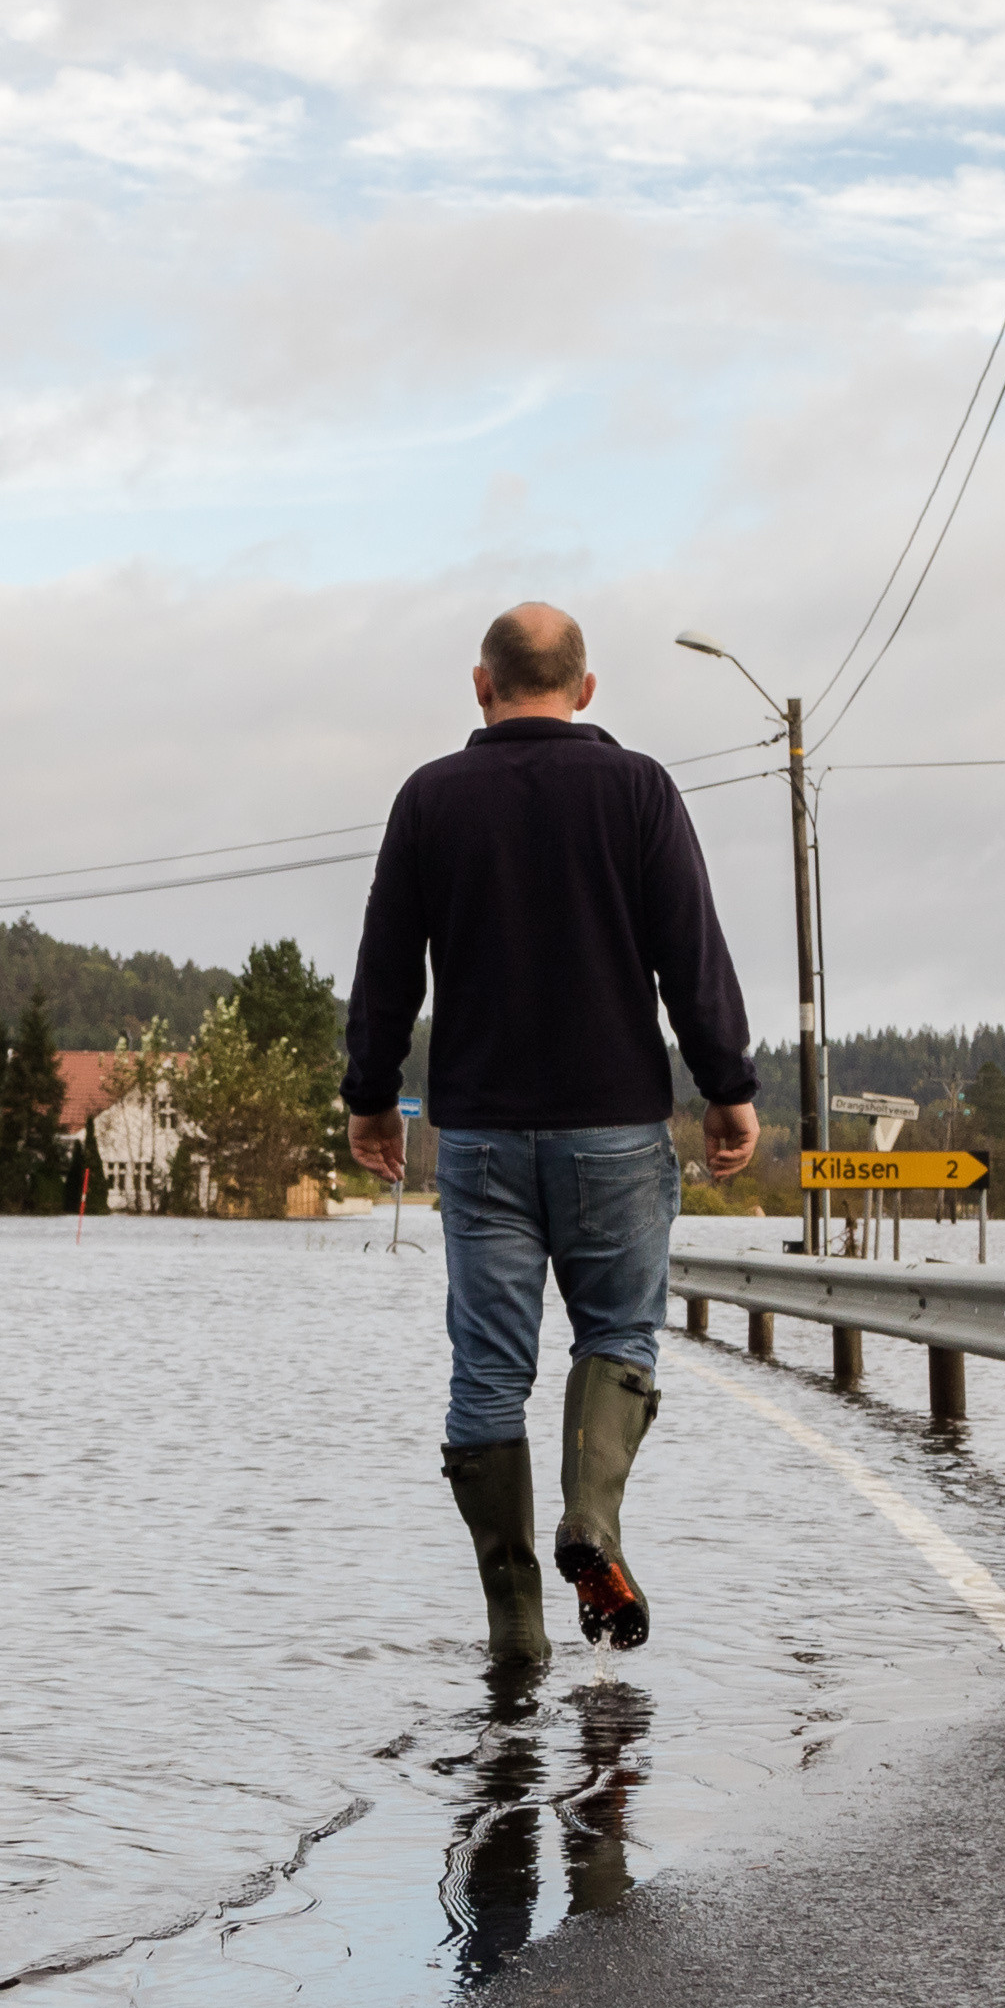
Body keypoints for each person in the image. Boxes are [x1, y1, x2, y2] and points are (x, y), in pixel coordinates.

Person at [342, 603, 763, 1667]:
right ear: (585, 688)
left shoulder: (429, 799)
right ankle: (593, 1521)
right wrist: (728, 1088)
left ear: (480, 684)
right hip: (616, 1127)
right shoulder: (637, 791)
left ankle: (516, 1624)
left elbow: (387, 965)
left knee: (486, 1374)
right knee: (616, 1338)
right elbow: (690, 954)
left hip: (480, 1134)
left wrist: (366, 1095)